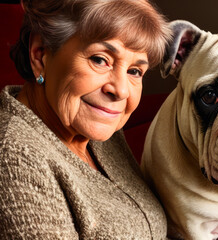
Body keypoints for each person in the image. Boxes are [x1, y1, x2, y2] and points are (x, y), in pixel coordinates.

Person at [0, 0, 171, 238]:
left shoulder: (95, 128)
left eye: (134, 71)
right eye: (100, 59)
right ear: (40, 55)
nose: (120, 90)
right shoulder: (14, 160)